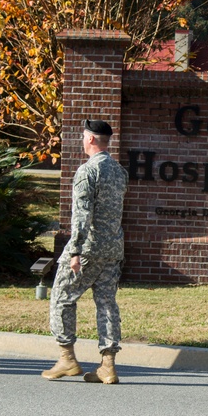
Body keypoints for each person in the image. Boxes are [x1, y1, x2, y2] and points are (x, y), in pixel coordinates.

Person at [42, 119, 128, 384]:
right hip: (113, 247)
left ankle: (67, 358)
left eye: (83, 136)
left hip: (88, 247)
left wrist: (75, 251)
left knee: (62, 297)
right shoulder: (119, 171)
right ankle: (108, 365)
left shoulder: (87, 171)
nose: (82, 140)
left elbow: (81, 216)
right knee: (106, 303)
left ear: (90, 139)